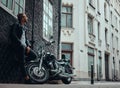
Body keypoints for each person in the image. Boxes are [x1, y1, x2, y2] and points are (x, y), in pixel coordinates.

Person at [10, 13, 37, 83]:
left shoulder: (24, 28)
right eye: (25, 17)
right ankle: (26, 78)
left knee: (34, 56)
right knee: (22, 61)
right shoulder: (16, 25)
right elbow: (13, 35)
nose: (27, 18)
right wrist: (20, 44)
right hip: (19, 46)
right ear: (22, 18)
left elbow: (26, 39)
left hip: (24, 47)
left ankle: (20, 62)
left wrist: (28, 46)